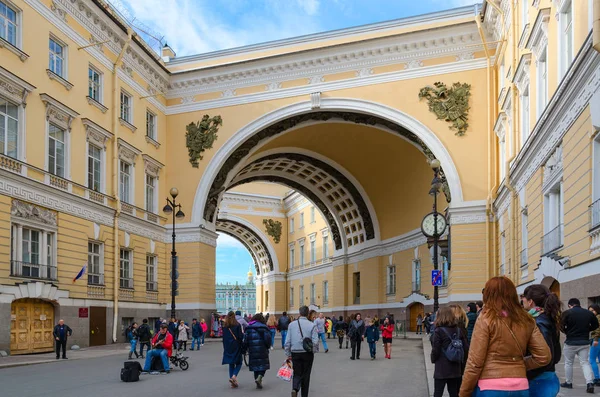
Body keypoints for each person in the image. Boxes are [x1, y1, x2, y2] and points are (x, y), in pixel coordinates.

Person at [459, 277, 551, 397]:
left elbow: (475, 362)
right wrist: (518, 365)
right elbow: (544, 356)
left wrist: (464, 392)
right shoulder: (526, 319)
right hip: (520, 385)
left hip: (491, 386)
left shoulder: (486, 318)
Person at [521, 284, 562, 397]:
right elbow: (556, 354)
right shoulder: (547, 317)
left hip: (539, 381)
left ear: (530, 302)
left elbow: (546, 356)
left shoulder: (538, 322)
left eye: (523, 296)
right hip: (547, 378)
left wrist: (521, 365)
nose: (521, 299)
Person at [560, 297, 599, 393]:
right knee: (585, 363)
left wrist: (567, 332)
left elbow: (560, 325)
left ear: (570, 305)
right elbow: (596, 326)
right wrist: (586, 330)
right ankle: (589, 383)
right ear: (579, 304)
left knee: (568, 363)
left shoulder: (567, 313)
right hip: (584, 342)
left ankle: (568, 383)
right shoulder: (588, 313)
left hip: (570, 342)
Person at [431, 306, 469, 397]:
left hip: (442, 367)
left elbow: (436, 349)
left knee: (438, 392)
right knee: (454, 393)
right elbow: (466, 348)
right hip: (455, 367)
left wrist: (433, 359)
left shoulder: (438, 331)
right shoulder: (458, 329)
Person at [284, 305, 319, 397]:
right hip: (307, 353)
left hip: (295, 352)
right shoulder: (312, 325)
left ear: (299, 313)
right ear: (308, 314)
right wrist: (313, 351)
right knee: (306, 375)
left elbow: (287, 341)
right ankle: (304, 395)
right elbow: (315, 341)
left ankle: (295, 388)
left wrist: (288, 353)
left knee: (297, 373)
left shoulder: (291, 325)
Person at [245, 313, 272, 389]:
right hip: (262, 349)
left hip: (252, 349)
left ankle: (257, 379)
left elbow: (245, 340)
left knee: (255, 366)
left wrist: (245, 348)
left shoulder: (248, 328)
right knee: (263, 365)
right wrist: (267, 346)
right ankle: (260, 377)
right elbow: (268, 339)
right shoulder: (264, 328)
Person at [222, 311, 244, 388]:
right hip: (236, 345)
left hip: (228, 346)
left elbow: (223, 338)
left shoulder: (225, 326)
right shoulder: (237, 325)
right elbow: (240, 337)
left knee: (231, 363)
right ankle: (234, 376)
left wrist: (225, 347)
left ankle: (232, 382)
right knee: (239, 362)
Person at [589, 304, 600, 386]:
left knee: (592, 360)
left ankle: (597, 378)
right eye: (590, 311)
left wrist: (595, 339)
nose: (592, 312)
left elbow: (598, 329)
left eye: (593, 310)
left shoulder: (598, 317)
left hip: (597, 340)